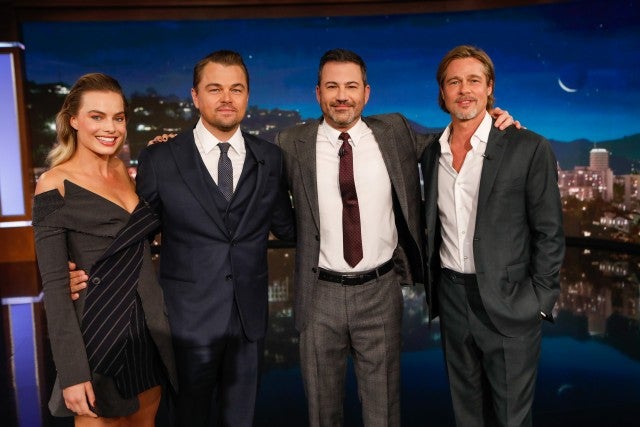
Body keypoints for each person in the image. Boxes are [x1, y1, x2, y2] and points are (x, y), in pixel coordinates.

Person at [275, 48, 516, 427]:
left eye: (351, 86)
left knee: (383, 411)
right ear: (317, 93)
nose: (342, 96)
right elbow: (268, 196)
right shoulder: (290, 142)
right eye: (332, 86)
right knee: (321, 412)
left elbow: (453, 140)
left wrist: (495, 123)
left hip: (380, 292)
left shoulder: (394, 132)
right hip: (319, 294)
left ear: (366, 93)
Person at [132, 50, 294, 426]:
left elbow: (289, 228)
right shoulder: (161, 158)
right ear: (195, 96)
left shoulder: (270, 158)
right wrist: (82, 269)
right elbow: (137, 235)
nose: (226, 98)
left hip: (248, 321)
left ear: (247, 96)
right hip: (185, 323)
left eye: (236, 89)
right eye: (215, 88)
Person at [421, 45, 565, 426]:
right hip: (452, 300)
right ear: (442, 92)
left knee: (510, 419)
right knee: (466, 415)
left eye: (474, 80)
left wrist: (539, 301)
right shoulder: (430, 153)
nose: (464, 90)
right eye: (454, 82)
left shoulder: (528, 147)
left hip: (511, 302)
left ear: (489, 88)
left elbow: (550, 232)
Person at [33, 73, 178, 426]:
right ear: (74, 120)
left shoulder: (123, 172)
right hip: (99, 334)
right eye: (97, 116)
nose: (110, 128)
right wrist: (71, 373)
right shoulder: (53, 184)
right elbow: (56, 287)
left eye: (118, 117)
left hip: (147, 330)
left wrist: (171, 150)